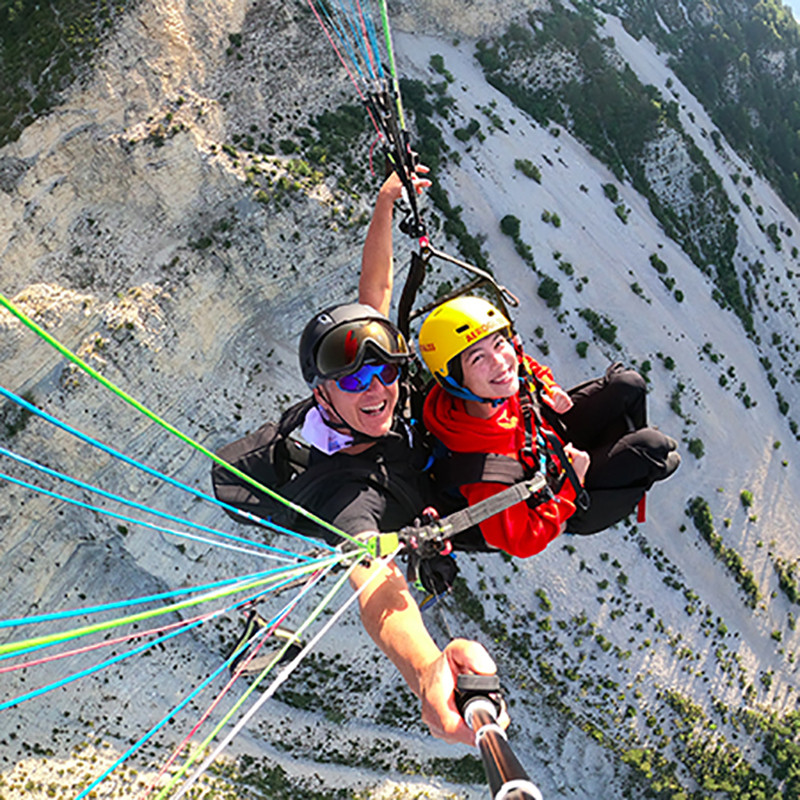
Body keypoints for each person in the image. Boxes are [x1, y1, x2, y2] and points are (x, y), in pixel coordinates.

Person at [212, 173, 504, 747]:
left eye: (387, 371)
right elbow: (374, 583)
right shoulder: (342, 494)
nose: (379, 391)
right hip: (409, 503)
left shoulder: (364, 401)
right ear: (323, 395)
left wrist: (385, 202)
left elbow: (376, 293)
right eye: (356, 381)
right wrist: (425, 672)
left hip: (416, 475)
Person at [418, 296, 681, 557]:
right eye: (477, 359)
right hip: (559, 501)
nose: (499, 362)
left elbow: (524, 366)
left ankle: (627, 461)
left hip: (545, 441)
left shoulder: (488, 387)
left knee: (630, 385)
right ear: (454, 380)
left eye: (499, 343)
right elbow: (523, 542)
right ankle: (634, 470)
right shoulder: (484, 472)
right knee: (656, 449)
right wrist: (572, 482)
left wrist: (548, 387)